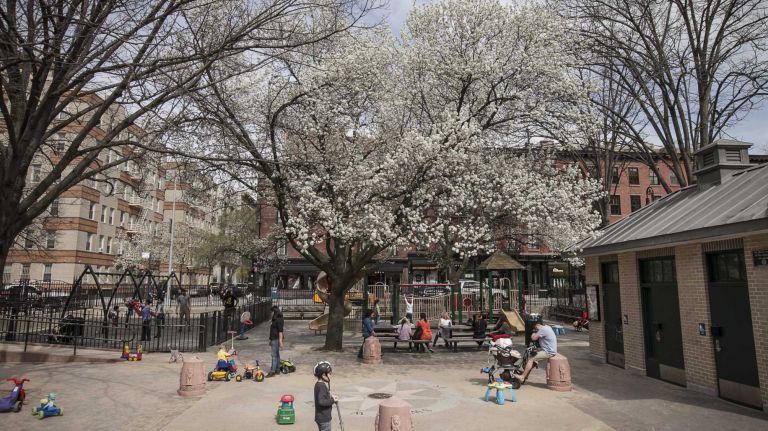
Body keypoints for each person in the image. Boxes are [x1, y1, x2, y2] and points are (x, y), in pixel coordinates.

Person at [313, 361, 339, 431]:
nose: (330, 375)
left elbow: (323, 397)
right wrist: (333, 400)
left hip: (320, 417)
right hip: (324, 418)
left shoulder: (318, 384)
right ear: (323, 375)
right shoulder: (322, 386)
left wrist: (330, 397)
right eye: (329, 373)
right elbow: (321, 402)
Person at [266, 305, 284, 378]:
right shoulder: (274, 320)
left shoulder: (279, 320)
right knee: (277, 354)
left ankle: (272, 371)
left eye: (272, 312)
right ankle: (277, 369)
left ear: (274, 312)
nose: (271, 313)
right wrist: (270, 339)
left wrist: (280, 341)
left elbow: (280, 331)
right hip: (273, 339)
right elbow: (273, 330)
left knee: (274, 355)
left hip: (276, 339)